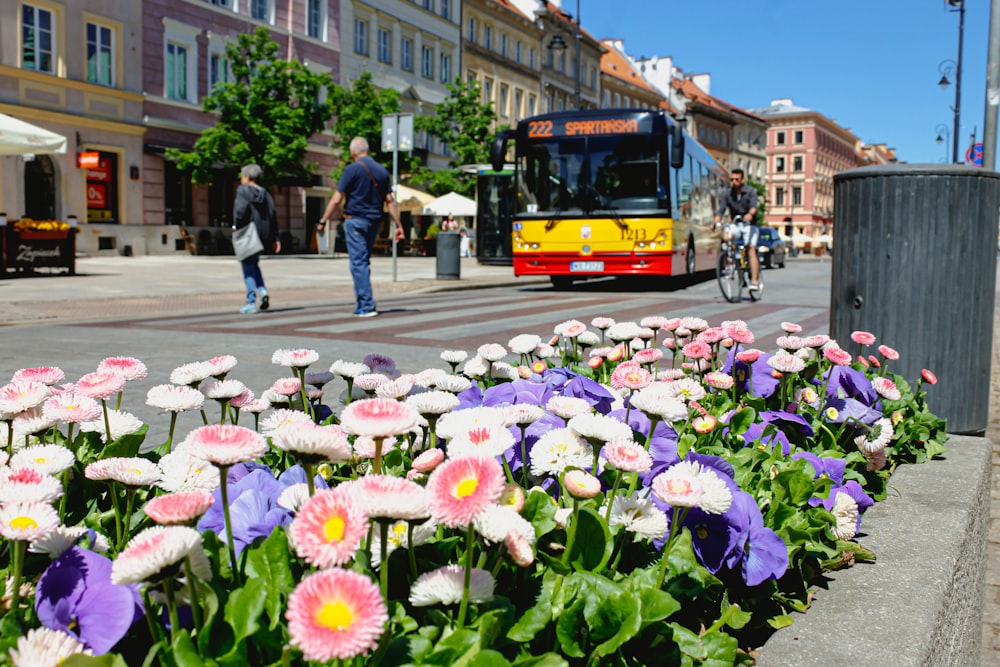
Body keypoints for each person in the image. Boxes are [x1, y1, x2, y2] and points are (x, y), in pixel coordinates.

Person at [317, 137, 404, 318]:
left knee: (358, 263)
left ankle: (366, 305)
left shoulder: (352, 169)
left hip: (355, 220)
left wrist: (323, 220)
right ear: (368, 150)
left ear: (352, 152)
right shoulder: (382, 171)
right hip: (375, 222)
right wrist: (399, 224)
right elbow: (390, 201)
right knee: (364, 261)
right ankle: (362, 302)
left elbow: (336, 198)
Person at [233, 164, 279, 314]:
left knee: (247, 267)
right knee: (254, 264)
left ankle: (251, 301)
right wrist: (275, 237)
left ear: (246, 176)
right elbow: (272, 214)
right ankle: (263, 291)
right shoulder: (265, 193)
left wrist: (237, 226)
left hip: (248, 234)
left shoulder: (243, 190)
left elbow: (240, 211)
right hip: (262, 235)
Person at [714, 167, 760, 292]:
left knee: (750, 248)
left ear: (742, 179)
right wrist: (717, 220)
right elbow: (721, 209)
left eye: (737, 179)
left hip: (750, 224)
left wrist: (750, 214)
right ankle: (736, 259)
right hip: (736, 223)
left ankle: (754, 281)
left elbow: (754, 207)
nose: (734, 182)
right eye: (732, 179)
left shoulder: (751, 191)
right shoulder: (727, 193)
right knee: (726, 237)